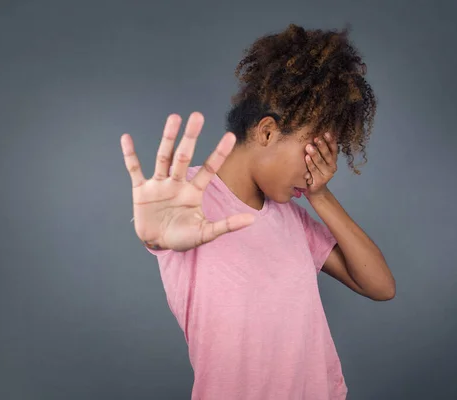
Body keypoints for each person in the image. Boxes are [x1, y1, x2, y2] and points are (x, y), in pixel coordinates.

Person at [121, 24, 395, 400]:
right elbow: (160, 231)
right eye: (312, 152)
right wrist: (154, 234)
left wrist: (321, 194)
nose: (318, 167)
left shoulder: (292, 218)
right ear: (267, 132)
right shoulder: (186, 198)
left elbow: (380, 286)